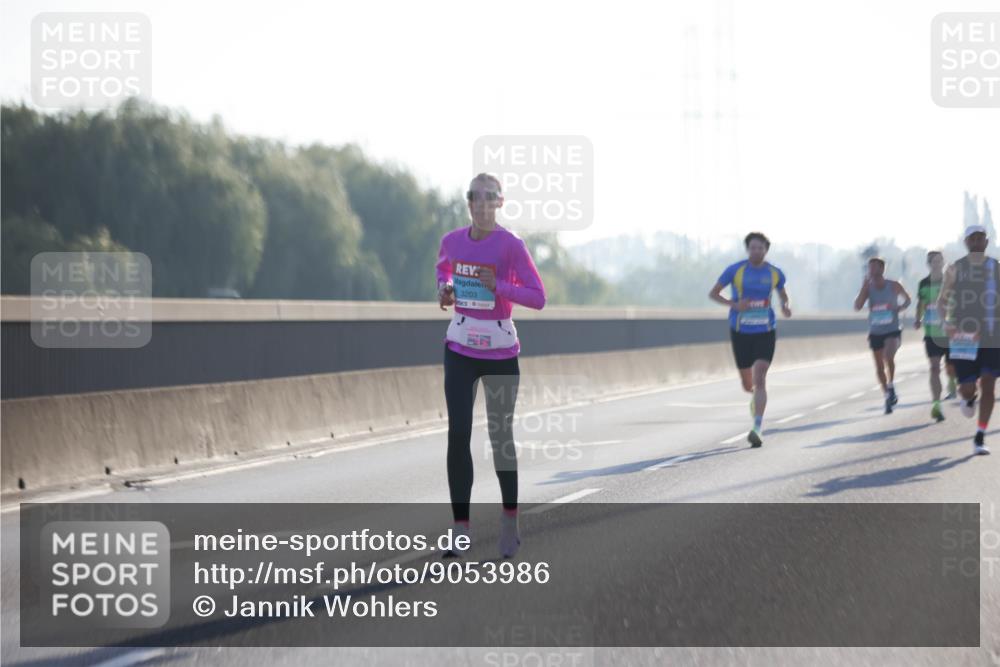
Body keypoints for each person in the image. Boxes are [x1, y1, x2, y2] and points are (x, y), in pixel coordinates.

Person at [436, 172, 547, 557]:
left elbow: (538, 297)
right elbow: (444, 273)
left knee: (501, 439)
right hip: (460, 347)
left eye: (489, 197)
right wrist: (445, 291)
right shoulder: (451, 241)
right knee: (458, 435)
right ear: (468, 202)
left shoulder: (511, 245)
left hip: (500, 351)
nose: (481, 204)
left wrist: (497, 285)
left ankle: (510, 522)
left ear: (500, 202)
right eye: (475, 197)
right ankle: (460, 530)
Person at [709, 232, 792, 448]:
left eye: (760, 248)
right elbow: (714, 293)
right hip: (741, 331)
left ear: (766, 250)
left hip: (766, 331)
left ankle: (757, 427)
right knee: (748, 384)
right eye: (753, 248)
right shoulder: (735, 270)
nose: (756, 251)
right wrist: (734, 305)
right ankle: (755, 398)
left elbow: (783, 293)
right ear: (748, 249)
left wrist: (785, 305)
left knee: (760, 377)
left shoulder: (774, 272)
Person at [937, 224, 995, 455]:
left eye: (981, 238)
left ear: (986, 242)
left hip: (992, 336)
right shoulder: (955, 269)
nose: (977, 242)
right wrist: (946, 323)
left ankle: (980, 436)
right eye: (973, 239)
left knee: (989, 382)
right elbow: (942, 301)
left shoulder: (996, 267)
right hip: (964, 336)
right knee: (967, 388)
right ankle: (969, 398)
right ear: (966, 242)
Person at [854, 257, 911, 414]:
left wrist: (900, 307)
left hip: (892, 329)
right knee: (879, 367)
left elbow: (908, 299)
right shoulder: (868, 287)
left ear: (882, 269)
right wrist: (863, 288)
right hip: (875, 331)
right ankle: (887, 394)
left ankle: (891, 384)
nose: (871, 270)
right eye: (869, 267)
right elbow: (857, 306)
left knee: (888, 356)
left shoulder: (893, 285)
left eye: (874, 267)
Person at [914, 250, 957, 422]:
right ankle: (936, 404)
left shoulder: (951, 281)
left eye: (940, 261)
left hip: (950, 331)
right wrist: (918, 319)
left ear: (943, 262)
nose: (937, 264)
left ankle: (952, 381)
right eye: (934, 261)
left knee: (951, 366)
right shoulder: (923, 283)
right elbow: (921, 303)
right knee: (934, 368)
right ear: (929, 264)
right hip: (931, 332)